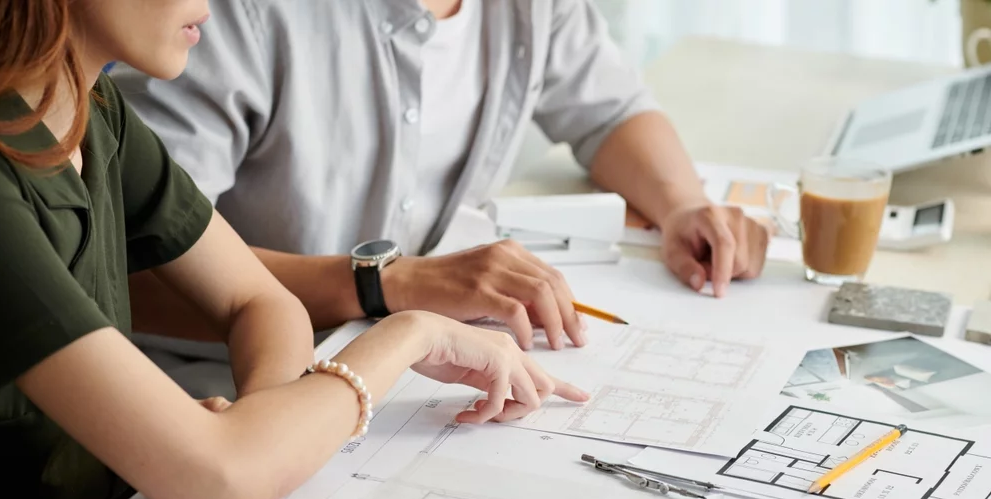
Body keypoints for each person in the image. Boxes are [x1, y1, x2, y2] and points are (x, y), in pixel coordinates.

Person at [0, 0, 586, 499]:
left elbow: (260, 301)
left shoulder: (93, 111)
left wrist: (264, 434)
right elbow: (221, 486)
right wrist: (408, 335)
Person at [110, 0, 771, 399]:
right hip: (217, 384)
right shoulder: (223, 19)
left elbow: (609, 110)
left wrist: (681, 203)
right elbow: (134, 272)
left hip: (412, 359)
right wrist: (390, 287)